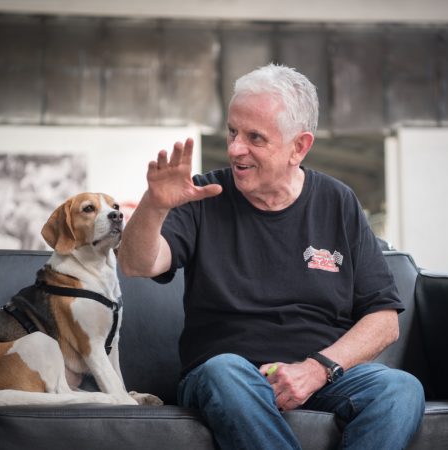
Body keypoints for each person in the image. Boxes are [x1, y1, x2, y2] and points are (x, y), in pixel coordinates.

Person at [118, 63, 425, 449]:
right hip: (229, 375)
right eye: (232, 132)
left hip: (321, 373)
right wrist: (154, 206)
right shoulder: (203, 194)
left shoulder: (337, 201)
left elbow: (384, 320)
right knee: (224, 372)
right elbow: (137, 263)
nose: (234, 149)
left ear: (299, 146)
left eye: (254, 137)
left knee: (400, 388)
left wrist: (317, 369)